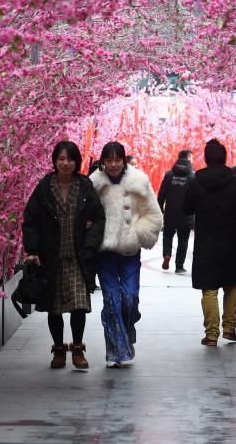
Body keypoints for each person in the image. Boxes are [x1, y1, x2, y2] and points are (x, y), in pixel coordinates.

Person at [22, 141, 105, 371]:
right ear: (54, 161)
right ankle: (59, 349)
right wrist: (33, 250)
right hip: (52, 257)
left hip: (78, 257)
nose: (65, 163)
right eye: (61, 159)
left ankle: (77, 349)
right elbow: (31, 219)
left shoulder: (85, 186)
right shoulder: (45, 187)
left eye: (70, 159)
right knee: (54, 306)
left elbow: (99, 218)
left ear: (77, 161)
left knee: (79, 305)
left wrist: (90, 244)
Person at [90, 141, 163, 367]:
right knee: (111, 300)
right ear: (103, 161)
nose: (113, 164)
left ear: (124, 160)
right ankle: (116, 350)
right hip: (105, 253)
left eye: (117, 160)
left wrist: (138, 234)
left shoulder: (139, 181)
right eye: (109, 160)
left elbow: (154, 214)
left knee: (129, 298)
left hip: (130, 253)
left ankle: (127, 325)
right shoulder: (93, 184)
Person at [182, 139, 236, 346]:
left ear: (205, 158)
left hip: (206, 241)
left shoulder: (195, 180)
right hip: (229, 240)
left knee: (209, 288)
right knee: (231, 285)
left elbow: (186, 208)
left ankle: (212, 334)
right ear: (225, 157)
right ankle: (230, 329)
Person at [157, 149, 195, 273]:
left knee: (167, 235)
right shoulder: (192, 176)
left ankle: (167, 255)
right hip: (186, 214)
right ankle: (179, 266)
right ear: (189, 157)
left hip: (170, 212)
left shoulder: (169, 175)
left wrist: (159, 209)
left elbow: (161, 194)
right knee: (183, 240)